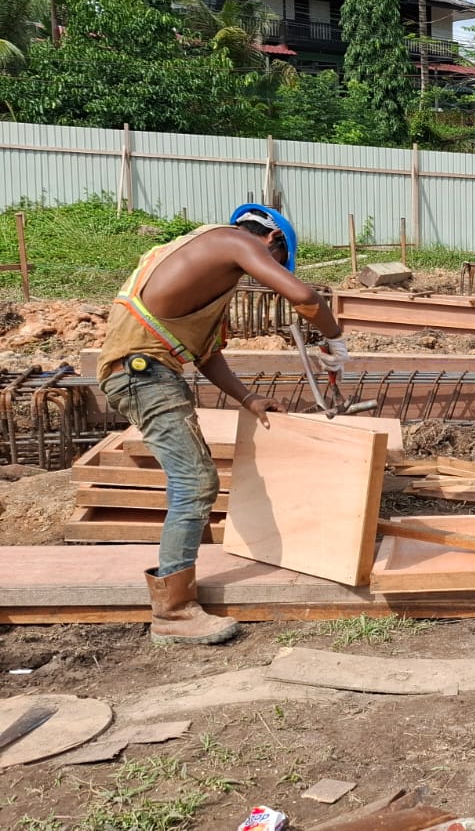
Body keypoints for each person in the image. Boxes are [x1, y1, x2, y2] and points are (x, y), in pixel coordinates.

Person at [98, 204, 348, 645]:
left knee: (193, 481)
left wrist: (249, 399)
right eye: (275, 261)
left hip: (150, 371)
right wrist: (335, 339)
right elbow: (307, 299)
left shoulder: (210, 272)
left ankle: (179, 591)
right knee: (194, 483)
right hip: (142, 373)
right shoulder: (231, 241)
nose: (264, 272)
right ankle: (173, 613)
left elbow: (206, 355)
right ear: (272, 241)